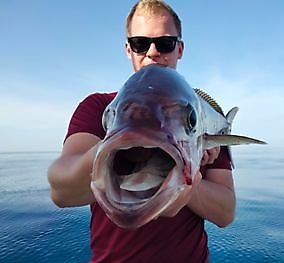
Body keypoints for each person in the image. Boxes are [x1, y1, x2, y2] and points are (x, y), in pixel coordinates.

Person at [48, 0, 236, 262]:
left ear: (179, 49)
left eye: (165, 43)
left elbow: (226, 213)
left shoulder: (201, 115)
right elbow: (62, 192)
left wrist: (190, 185)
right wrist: (113, 148)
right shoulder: (98, 106)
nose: (152, 52)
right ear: (128, 49)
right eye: (140, 43)